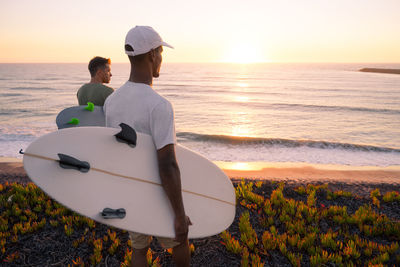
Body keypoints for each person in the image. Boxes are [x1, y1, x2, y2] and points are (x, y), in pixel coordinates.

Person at [104, 26, 192, 267]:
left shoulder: (111, 102)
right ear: (153, 54)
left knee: (139, 248)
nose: (162, 59)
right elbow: (167, 163)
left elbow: (115, 151)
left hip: (130, 192)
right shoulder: (159, 106)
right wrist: (179, 214)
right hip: (158, 193)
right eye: (161, 52)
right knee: (180, 241)